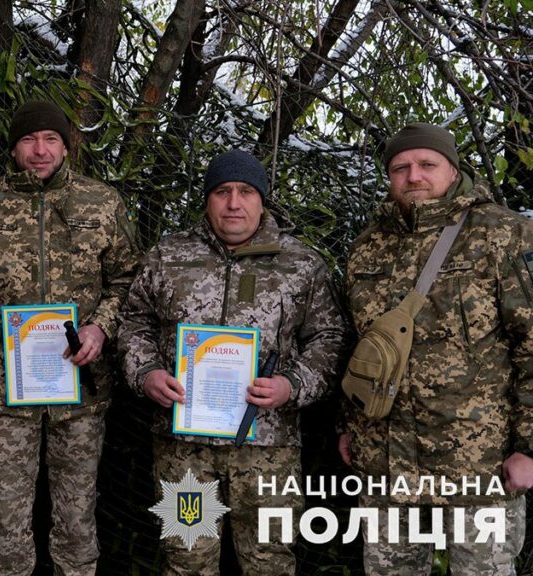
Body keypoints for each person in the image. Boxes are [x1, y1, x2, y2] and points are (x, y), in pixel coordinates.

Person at [117, 149, 346, 575]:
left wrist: (292, 385)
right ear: (207, 199)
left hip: (268, 448)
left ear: (262, 199)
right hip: (184, 448)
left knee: (269, 563)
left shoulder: (301, 263)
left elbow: (328, 339)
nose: (234, 202)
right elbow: (133, 322)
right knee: (186, 559)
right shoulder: (169, 255)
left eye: (245, 191)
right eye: (222, 191)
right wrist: (146, 374)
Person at [0, 100, 139, 575]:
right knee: (8, 524)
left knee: (76, 520)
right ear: (14, 150)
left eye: (50, 139)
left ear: (66, 145)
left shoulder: (102, 203)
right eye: (29, 140)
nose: (40, 150)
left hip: (80, 390)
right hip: (2, 393)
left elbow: (128, 281)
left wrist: (101, 327)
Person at [340, 123, 533, 574]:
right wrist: (349, 421)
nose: (414, 177)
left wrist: (529, 447)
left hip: (479, 462)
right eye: (400, 168)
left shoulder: (502, 234)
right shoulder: (369, 247)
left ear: (452, 169)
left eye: (428, 164)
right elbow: (360, 345)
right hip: (385, 458)